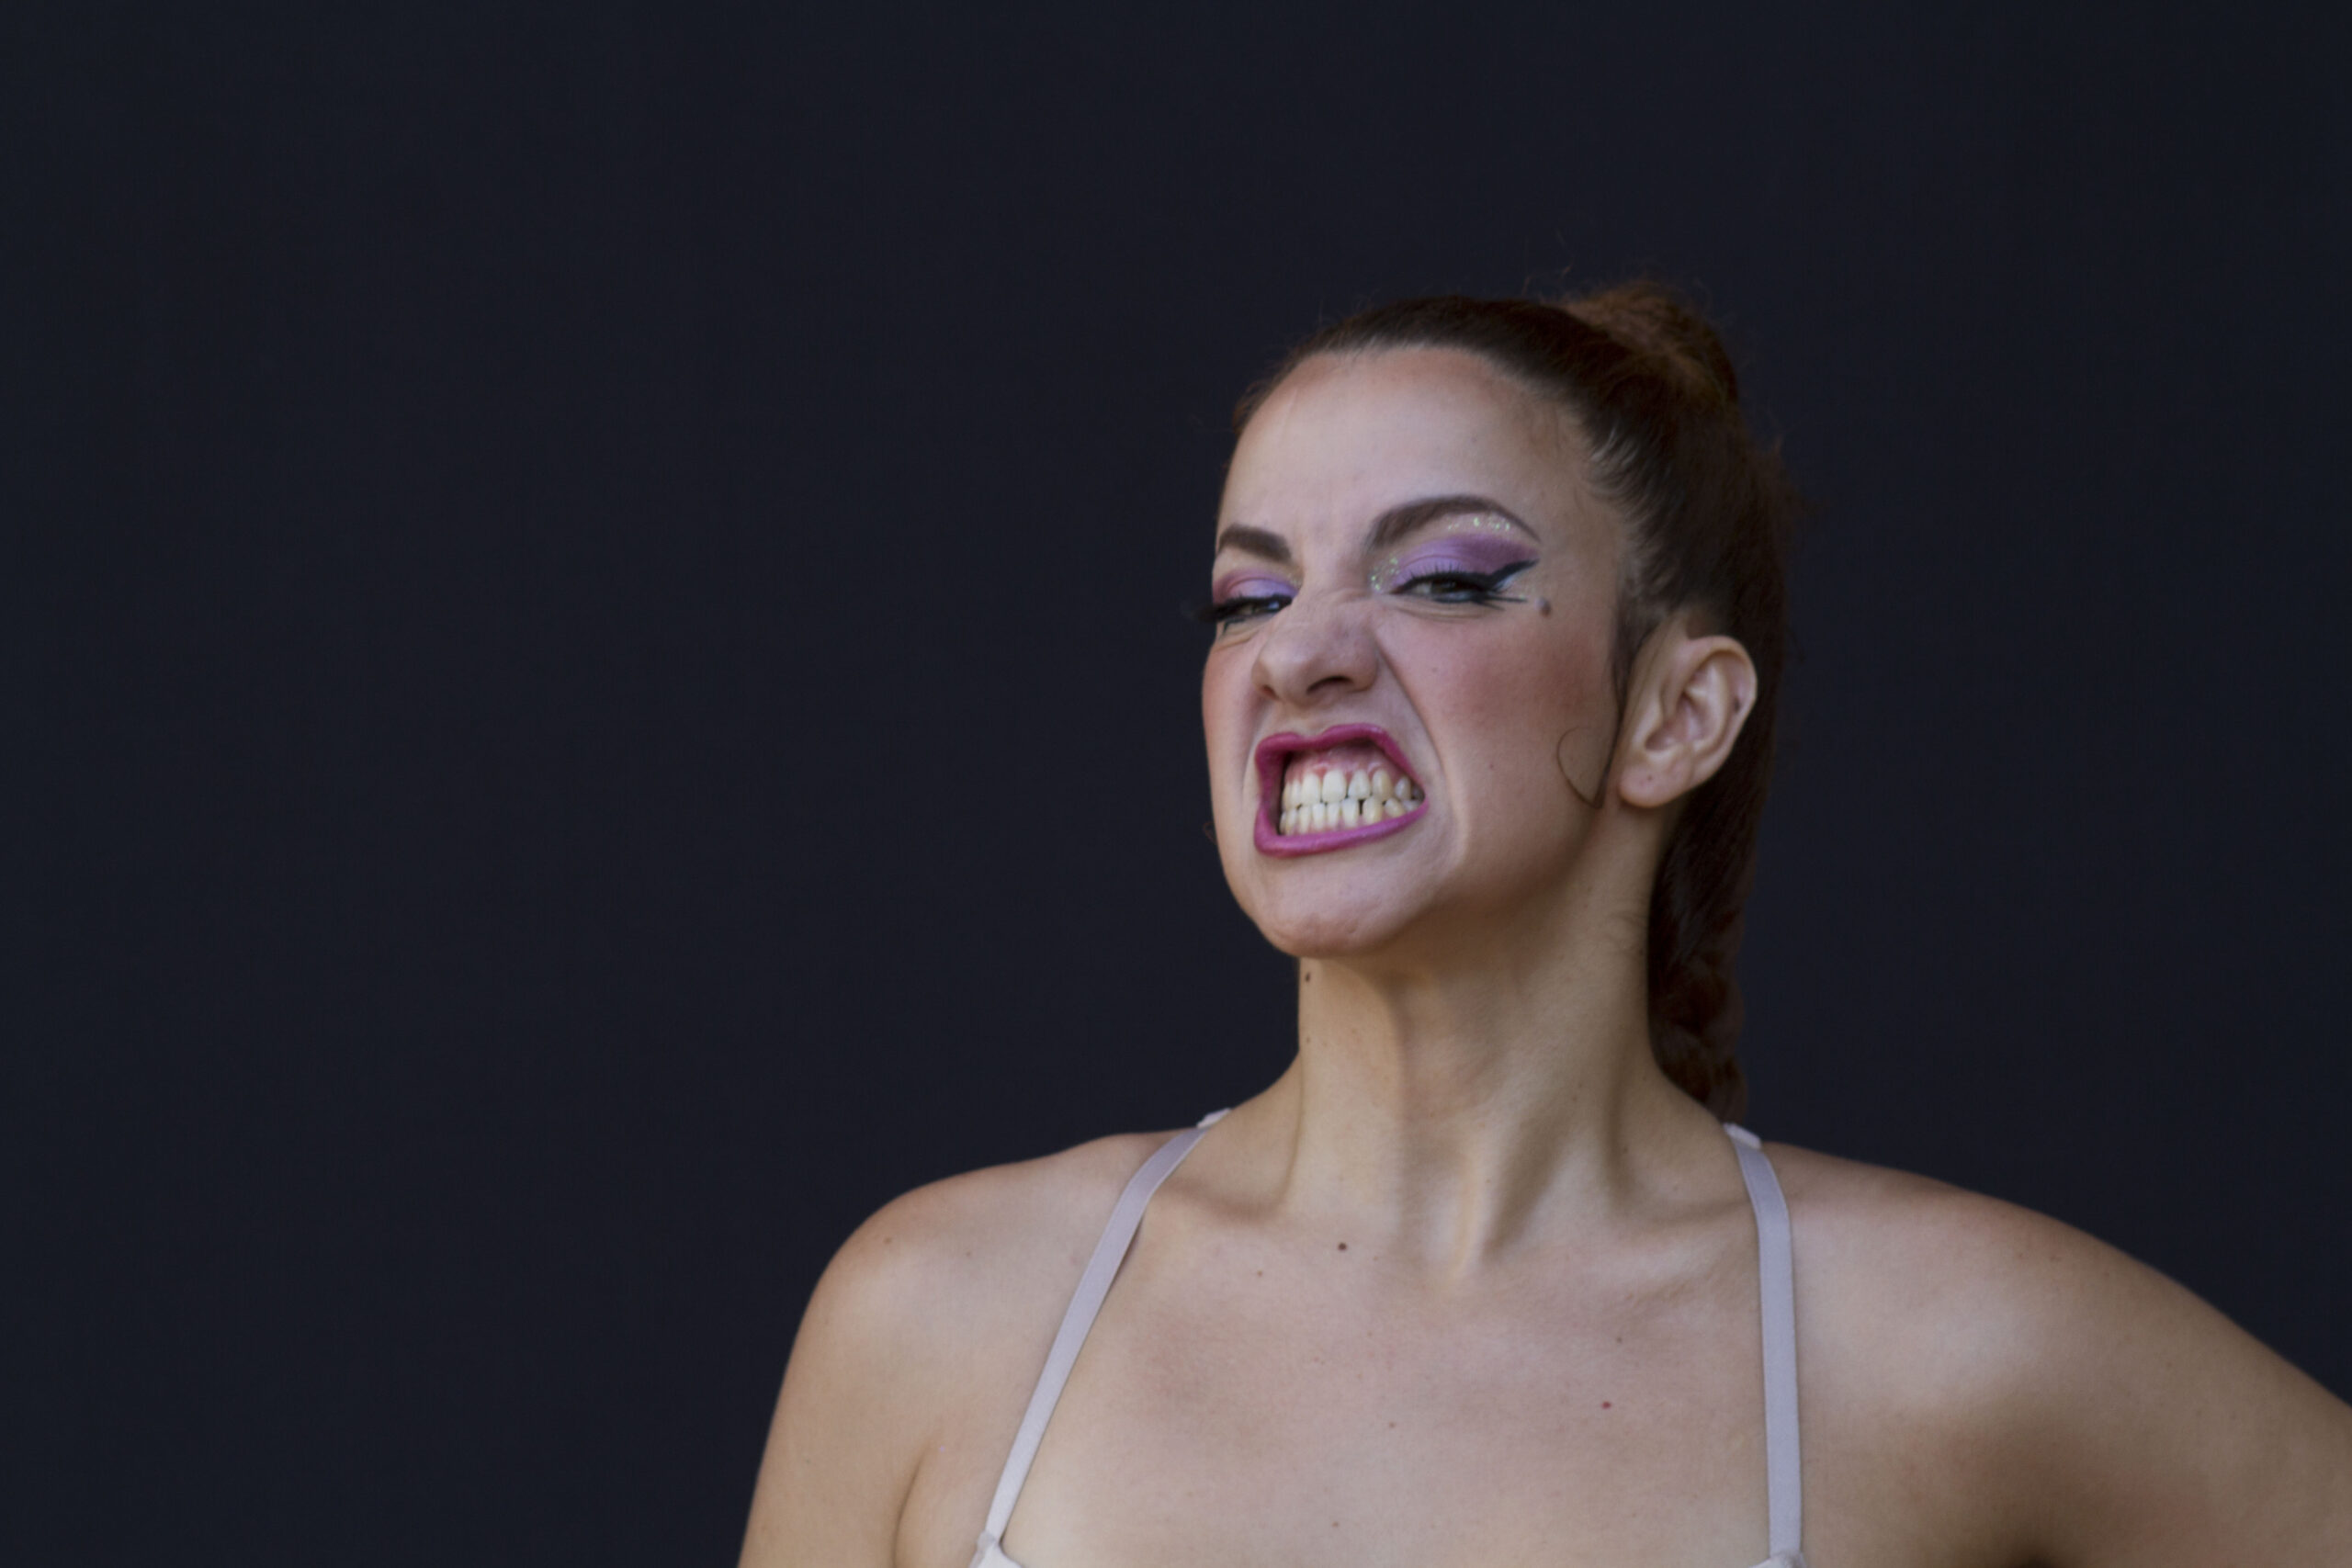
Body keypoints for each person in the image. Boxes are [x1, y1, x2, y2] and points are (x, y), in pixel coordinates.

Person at [739, 285, 2352, 1567]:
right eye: (1250, 597)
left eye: (1444, 579)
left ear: (1676, 714)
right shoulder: (943, 1314)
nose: (1299, 656)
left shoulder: (1932, 1344)